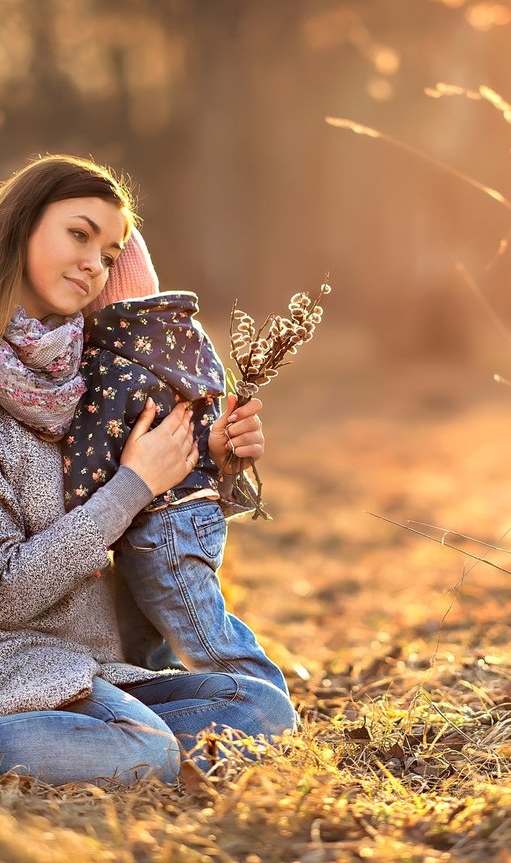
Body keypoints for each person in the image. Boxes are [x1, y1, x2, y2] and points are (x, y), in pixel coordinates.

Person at [0, 154, 297, 787]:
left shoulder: (101, 380)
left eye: (108, 255)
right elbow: (7, 594)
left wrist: (206, 467)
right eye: (79, 235)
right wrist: (133, 484)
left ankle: (96, 753)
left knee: (262, 709)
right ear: (21, 226)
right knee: (140, 751)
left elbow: (143, 559)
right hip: (14, 666)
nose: (93, 264)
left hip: (98, 669)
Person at [63, 228, 288, 694]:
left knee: (208, 639)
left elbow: (92, 447)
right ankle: (184, 699)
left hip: (159, 524)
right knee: (152, 635)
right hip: (193, 513)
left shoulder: (110, 362)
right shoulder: (184, 340)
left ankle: (265, 703)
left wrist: (75, 504)